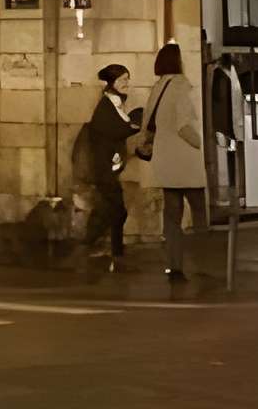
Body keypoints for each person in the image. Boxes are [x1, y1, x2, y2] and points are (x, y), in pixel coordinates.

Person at [141, 40, 208, 280]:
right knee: (200, 214)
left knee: (172, 217)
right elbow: (183, 126)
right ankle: (204, 263)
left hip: (166, 161)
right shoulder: (181, 86)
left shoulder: (157, 88)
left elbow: (147, 125)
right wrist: (201, 143)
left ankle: (175, 266)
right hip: (186, 161)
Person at [79, 64, 141, 269]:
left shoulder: (114, 103)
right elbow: (116, 130)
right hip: (103, 169)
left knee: (111, 209)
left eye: (127, 79)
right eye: (123, 80)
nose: (126, 83)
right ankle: (106, 247)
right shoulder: (107, 106)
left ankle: (110, 248)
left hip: (108, 168)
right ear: (112, 82)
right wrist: (135, 126)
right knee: (117, 210)